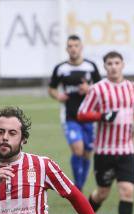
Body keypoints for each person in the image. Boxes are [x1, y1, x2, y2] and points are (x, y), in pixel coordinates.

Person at [76, 51, 134, 214]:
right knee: (102, 193)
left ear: (123, 65)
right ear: (105, 67)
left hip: (127, 150)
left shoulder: (132, 87)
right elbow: (82, 114)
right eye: (109, 63)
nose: (113, 66)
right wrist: (101, 116)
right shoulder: (98, 89)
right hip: (105, 151)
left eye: (117, 63)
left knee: (127, 190)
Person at [48, 35, 101, 193]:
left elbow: (101, 88)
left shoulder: (91, 67)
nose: (73, 49)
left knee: (87, 153)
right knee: (77, 149)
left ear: (81, 47)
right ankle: (77, 187)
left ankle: (80, 185)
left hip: (89, 116)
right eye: (70, 46)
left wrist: (90, 90)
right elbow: (51, 88)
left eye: (76, 46)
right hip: (70, 116)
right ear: (66, 49)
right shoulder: (61, 68)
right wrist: (58, 96)